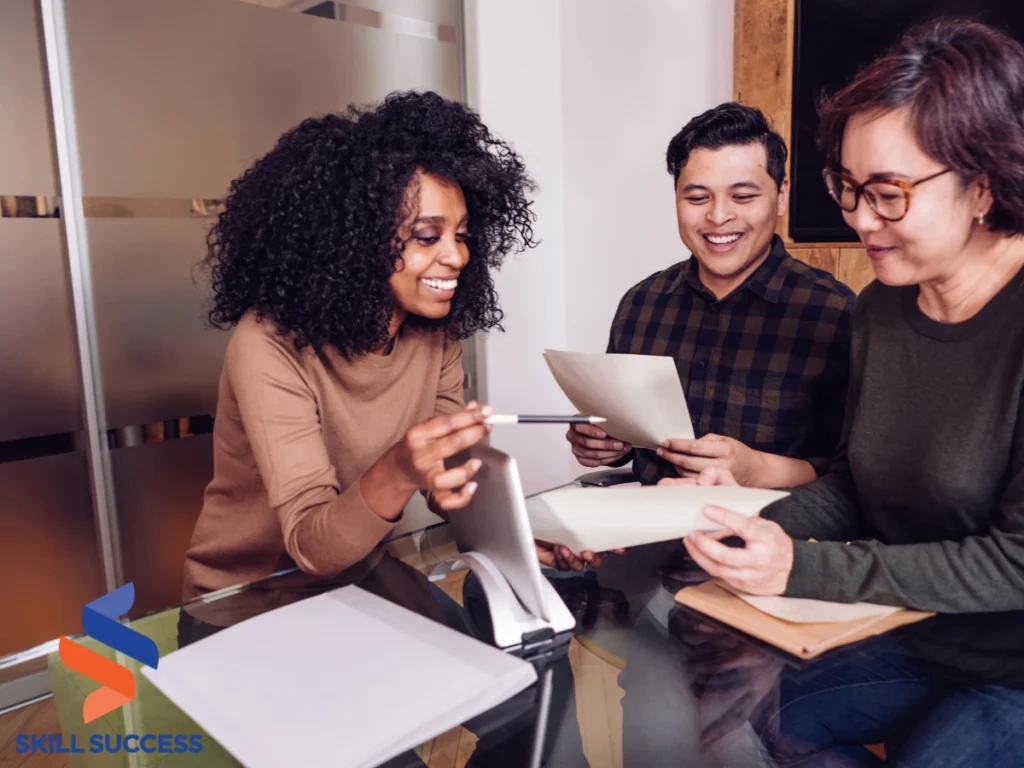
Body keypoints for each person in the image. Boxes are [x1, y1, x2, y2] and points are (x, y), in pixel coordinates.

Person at [668, 19, 1024, 765]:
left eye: (888, 194)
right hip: (915, 631)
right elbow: (857, 483)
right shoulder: (881, 310)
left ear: (983, 184)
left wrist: (801, 566)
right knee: (754, 706)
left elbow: (1013, 562)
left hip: (1011, 667)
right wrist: (756, 528)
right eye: (849, 187)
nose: (860, 218)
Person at [182, 91, 547, 599]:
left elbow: (449, 478)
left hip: (360, 576)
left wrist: (529, 540)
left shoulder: (435, 333)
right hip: (249, 597)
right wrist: (401, 466)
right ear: (352, 240)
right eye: (426, 236)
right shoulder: (267, 343)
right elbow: (311, 546)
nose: (457, 257)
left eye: (461, 235)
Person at [566, 103, 855, 488]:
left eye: (742, 196)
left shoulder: (835, 314)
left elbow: (855, 477)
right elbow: (624, 431)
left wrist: (759, 470)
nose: (719, 217)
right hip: (645, 530)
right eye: (698, 198)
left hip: (775, 537)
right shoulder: (641, 305)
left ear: (781, 195)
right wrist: (603, 444)